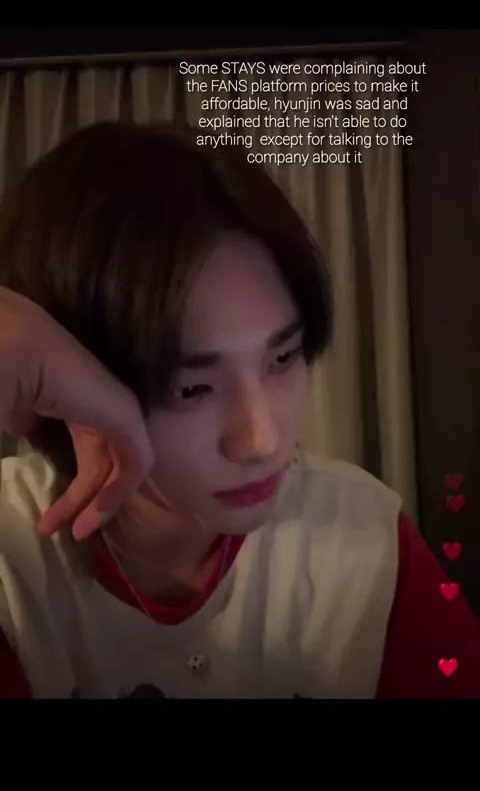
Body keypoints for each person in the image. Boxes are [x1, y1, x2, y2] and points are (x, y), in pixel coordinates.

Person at [1, 121, 480, 700]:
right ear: (70, 391)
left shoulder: (366, 540)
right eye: (191, 389)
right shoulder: (12, 561)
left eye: (283, 357)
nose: (263, 439)